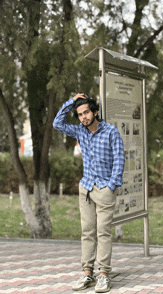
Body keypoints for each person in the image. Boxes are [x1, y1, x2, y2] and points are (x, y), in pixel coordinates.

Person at [53, 93, 125, 293]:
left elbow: (119, 161)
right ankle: (87, 273)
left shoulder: (111, 132)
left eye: (86, 112)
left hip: (104, 189)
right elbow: (57, 124)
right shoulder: (80, 131)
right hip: (85, 188)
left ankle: (103, 275)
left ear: (94, 112)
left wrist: (111, 186)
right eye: (80, 114)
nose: (83, 117)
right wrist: (70, 102)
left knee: (103, 232)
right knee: (87, 231)